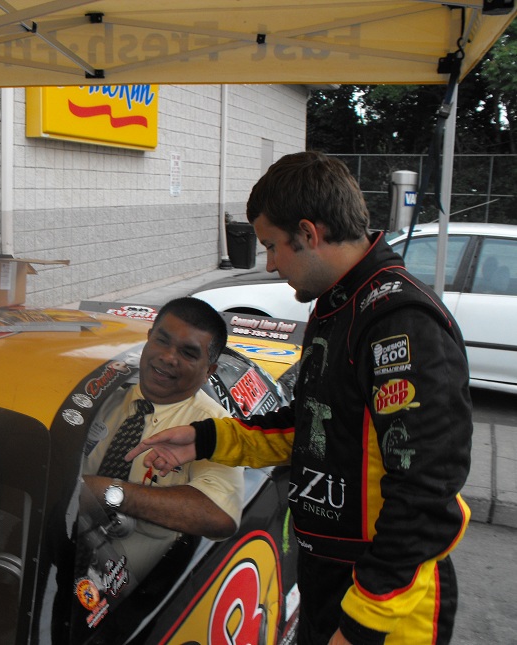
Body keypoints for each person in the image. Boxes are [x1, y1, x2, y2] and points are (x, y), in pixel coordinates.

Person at [127, 152, 472, 645]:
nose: (269, 263)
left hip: (385, 606)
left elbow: (426, 493)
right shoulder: (341, 304)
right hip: (331, 580)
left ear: (309, 233)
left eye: (272, 246)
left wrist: (361, 625)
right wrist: (204, 439)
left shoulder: (400, 321)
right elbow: (314, 426)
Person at [81, 296, 243, 583]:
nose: (168, 357)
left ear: (209, 370)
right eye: (162, 341)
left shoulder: (215, 428)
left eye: (188, 353)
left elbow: (219, 516)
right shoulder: (98, 395)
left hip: (127, 590)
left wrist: (110, 493)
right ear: (148, 338)